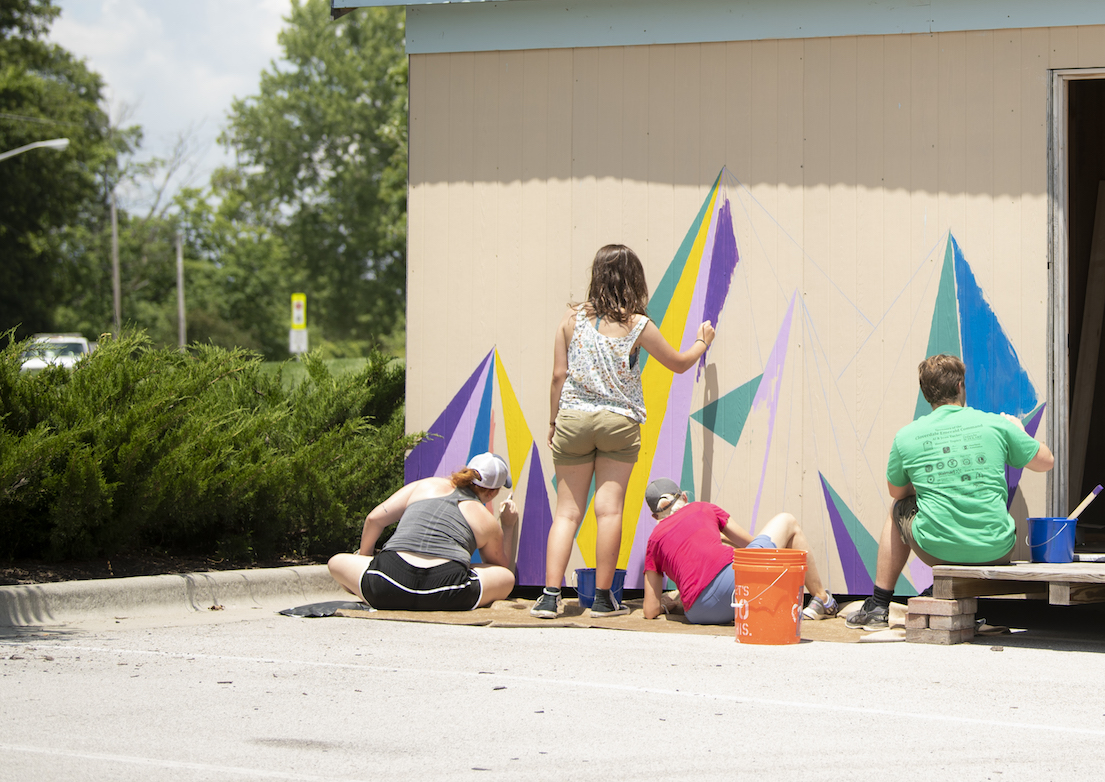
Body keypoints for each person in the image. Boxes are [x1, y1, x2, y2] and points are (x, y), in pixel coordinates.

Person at [529, 244, 716, 619]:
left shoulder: (572, 320)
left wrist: (553, 422)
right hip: (618, 422)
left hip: (573, 420)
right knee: (609, 511)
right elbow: (678, 364)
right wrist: (702, 342)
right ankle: (602, 600)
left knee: (567, 513)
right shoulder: (638, 324)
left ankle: (549, 597)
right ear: (635, 280)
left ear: (596, 276)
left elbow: (557, 376)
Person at [842, 353, 1054, 629]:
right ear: (959, 386)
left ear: (926, 394)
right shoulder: (996, 425)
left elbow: (897, 492)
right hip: (996, 548)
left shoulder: (907, 436)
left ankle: (879, 604)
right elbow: (1046, 462)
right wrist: (1019, 430)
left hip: (936, 550)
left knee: (898, 509)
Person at [328, 453, 520, 611]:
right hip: (445, 593)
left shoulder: (425, 485)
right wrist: (508, 526)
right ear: (492, 492)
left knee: (336, 561)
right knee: (506, 578)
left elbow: (374, 519)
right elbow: (501, 568)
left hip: (386, 584)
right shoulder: (485, 519)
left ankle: (363, 585)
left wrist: (365, 557)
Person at [639, 480, 840, 624]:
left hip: (698, 612)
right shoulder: (702, 507)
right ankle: (823, 600)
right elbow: (751, 546)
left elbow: (649, 610)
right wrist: (723, 539)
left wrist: (668, 604)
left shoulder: (654, 540)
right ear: (684, 496)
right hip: (735, 588)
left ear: (655, 515)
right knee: (787, 521)